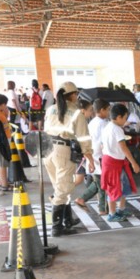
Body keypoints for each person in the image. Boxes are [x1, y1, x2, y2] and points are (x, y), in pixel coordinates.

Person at [44, 81, 93, 236]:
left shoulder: (51, 109)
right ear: (72, 95)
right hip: (62, 151)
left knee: (60, 187)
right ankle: (57, 228)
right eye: (76, 94)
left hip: (47, 151)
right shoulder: (76, 112)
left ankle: (68, 220)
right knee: (63, 189)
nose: (77, 97)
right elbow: (84, 137)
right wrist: (90, 157)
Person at [100, 104, 140, 222]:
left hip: (112, 161)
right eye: (125, 118)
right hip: (113, 163)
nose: (126, 120)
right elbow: (123, 147)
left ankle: (121, 209)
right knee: (113, 187)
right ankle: (112, 214)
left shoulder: (107, 127)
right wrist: (134, 163)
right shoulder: (117, 129)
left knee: (124, 186)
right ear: (118, 117)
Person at [75, 99, 109, 215]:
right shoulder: (104, 124)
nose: (109, 112)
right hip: (100, 156)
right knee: (102, 183)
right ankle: (99, 207)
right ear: (102, 110)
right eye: (108, 110)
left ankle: (102, 207)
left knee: (99, 182)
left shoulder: (91, 123)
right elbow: (106, 142)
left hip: (92, 155)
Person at [73, 99, 95, 188]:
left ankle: (57, 194)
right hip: (80, 154)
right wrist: (90, 160)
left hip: (78, 154)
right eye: (90, 110)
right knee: (96, 177)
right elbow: (83, 142)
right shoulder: (81, 122)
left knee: (79, 179)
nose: (91, 113)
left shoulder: (75, 119)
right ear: (83, 111)